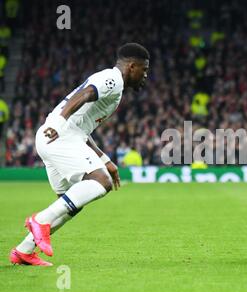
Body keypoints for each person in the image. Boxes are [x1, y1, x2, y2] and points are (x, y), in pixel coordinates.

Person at [9, 43, 150, 266]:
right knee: (101, 182)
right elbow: (85, 94)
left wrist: (105, 159)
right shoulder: (111, 80)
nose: (145, 76)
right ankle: (40, 220)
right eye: (144, 70)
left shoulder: (115, 85)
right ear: (132, 66)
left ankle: (24, 250)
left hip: (57, 137)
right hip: (59, 136)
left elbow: (82, 128)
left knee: (71, 203)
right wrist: (58, 123)